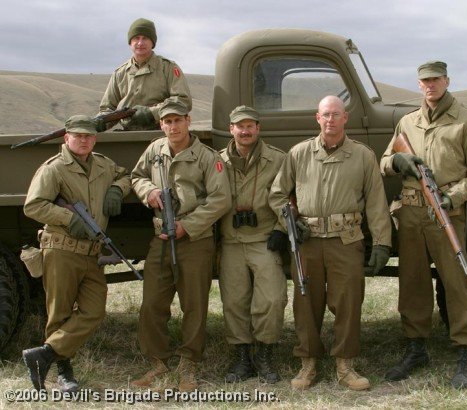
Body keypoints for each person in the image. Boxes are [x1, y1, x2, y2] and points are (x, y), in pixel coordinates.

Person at [269, 95, 392, 391]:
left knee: (348, 301)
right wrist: (289, 223)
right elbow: (277, 194)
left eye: (336, 114)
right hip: (308, 241)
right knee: (305, 302)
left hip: (346, 239)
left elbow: (376, 202)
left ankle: (345, 364)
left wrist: (381, 242)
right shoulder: (298, 154)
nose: (331, 120)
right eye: (326, 115)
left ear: (345, 118)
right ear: (317, 118)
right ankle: (308, 362)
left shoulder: (363, 156)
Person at [380, 61, 467, 389]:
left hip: (446, 214)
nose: (430, 85)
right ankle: (416, 349)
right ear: (419, 85)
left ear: (446, 81)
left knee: (457, 282)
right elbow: (385, 162)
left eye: (435, 80)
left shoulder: (466, 121)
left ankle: (465, 352)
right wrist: (398, 161)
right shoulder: (407, 122)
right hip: (411, 215)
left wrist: (451, 197)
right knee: (412, 284)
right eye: (424, 81)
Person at [22, 115, 130, 392]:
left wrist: (118, 189)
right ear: (66, 137)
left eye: (89, 136)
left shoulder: (104, 165)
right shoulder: (54, 168)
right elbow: (33, 206)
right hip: (61, 249)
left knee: (94, 310)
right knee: (59, 313)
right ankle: (63, 371)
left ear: (95, 138)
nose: (84, 140)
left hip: (91, 253)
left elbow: (124, 174)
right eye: (78, 135)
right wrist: (69, 219)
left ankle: (43, 355)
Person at [131, 99, 231, 392]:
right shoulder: (154, 151)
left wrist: (188, 225)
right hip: (161, 236)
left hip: (195, 239)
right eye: (167, 121)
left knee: (194, 305)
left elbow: (220, 199)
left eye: (178, 120)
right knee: (152, 303)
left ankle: (189, 362)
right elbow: (136, 176)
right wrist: (147, 191)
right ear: (161, 124)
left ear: (188, 121)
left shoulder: (206, 157)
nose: (173, 126)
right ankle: (158, 362)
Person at [218, 106, 288, 384]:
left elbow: (292, 197)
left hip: (264, 239)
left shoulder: (278, 159)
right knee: (234, 301)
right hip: (231, 240)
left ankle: (264, 354)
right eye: (239, 126)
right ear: (230, 129)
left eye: (250, 126)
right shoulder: (216, 161)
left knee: (271, 299)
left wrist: (282, 230)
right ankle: (242, 357)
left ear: (258, 128)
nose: (245, 131)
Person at [99, 18, 192, 131]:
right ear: (130, 42)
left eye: (145, 38)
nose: (140, 43)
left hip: (162, 133)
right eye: (136, 38)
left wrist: (151, 113)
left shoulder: (167, 68)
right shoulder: (120, 73)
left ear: (152, 42)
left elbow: (183, 101)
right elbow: (107, 108)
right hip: (128, 134)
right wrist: (96, 123)